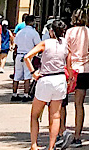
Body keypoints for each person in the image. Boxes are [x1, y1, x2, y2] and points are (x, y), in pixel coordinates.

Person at [24, 19, 69, 150]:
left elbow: (27, 56)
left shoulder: (46, 43)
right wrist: (70, 77)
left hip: (46, 79)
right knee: (55, 115)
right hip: (60, 79)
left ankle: (34, 144)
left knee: (35, 115)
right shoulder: (65, 44)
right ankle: (51, 146)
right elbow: (69, 60)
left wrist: (33, 72)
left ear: (51, 31)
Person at [65, 9, 89, 146]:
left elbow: (68, 52)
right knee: (79, 104)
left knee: (62, 103)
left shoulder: (69, 32)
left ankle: (61, 132)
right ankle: (78, 135)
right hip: (85, 68)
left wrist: (69, 70)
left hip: (72, 68)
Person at [12, 14, 40, 100]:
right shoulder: (34, 33)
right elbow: (38, 44)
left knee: (16, 75)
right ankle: (26, 94)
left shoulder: (20, 32)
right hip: (28, 56)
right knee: (27, 75)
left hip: (19, 54)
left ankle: (14, 94)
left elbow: (15, 44)